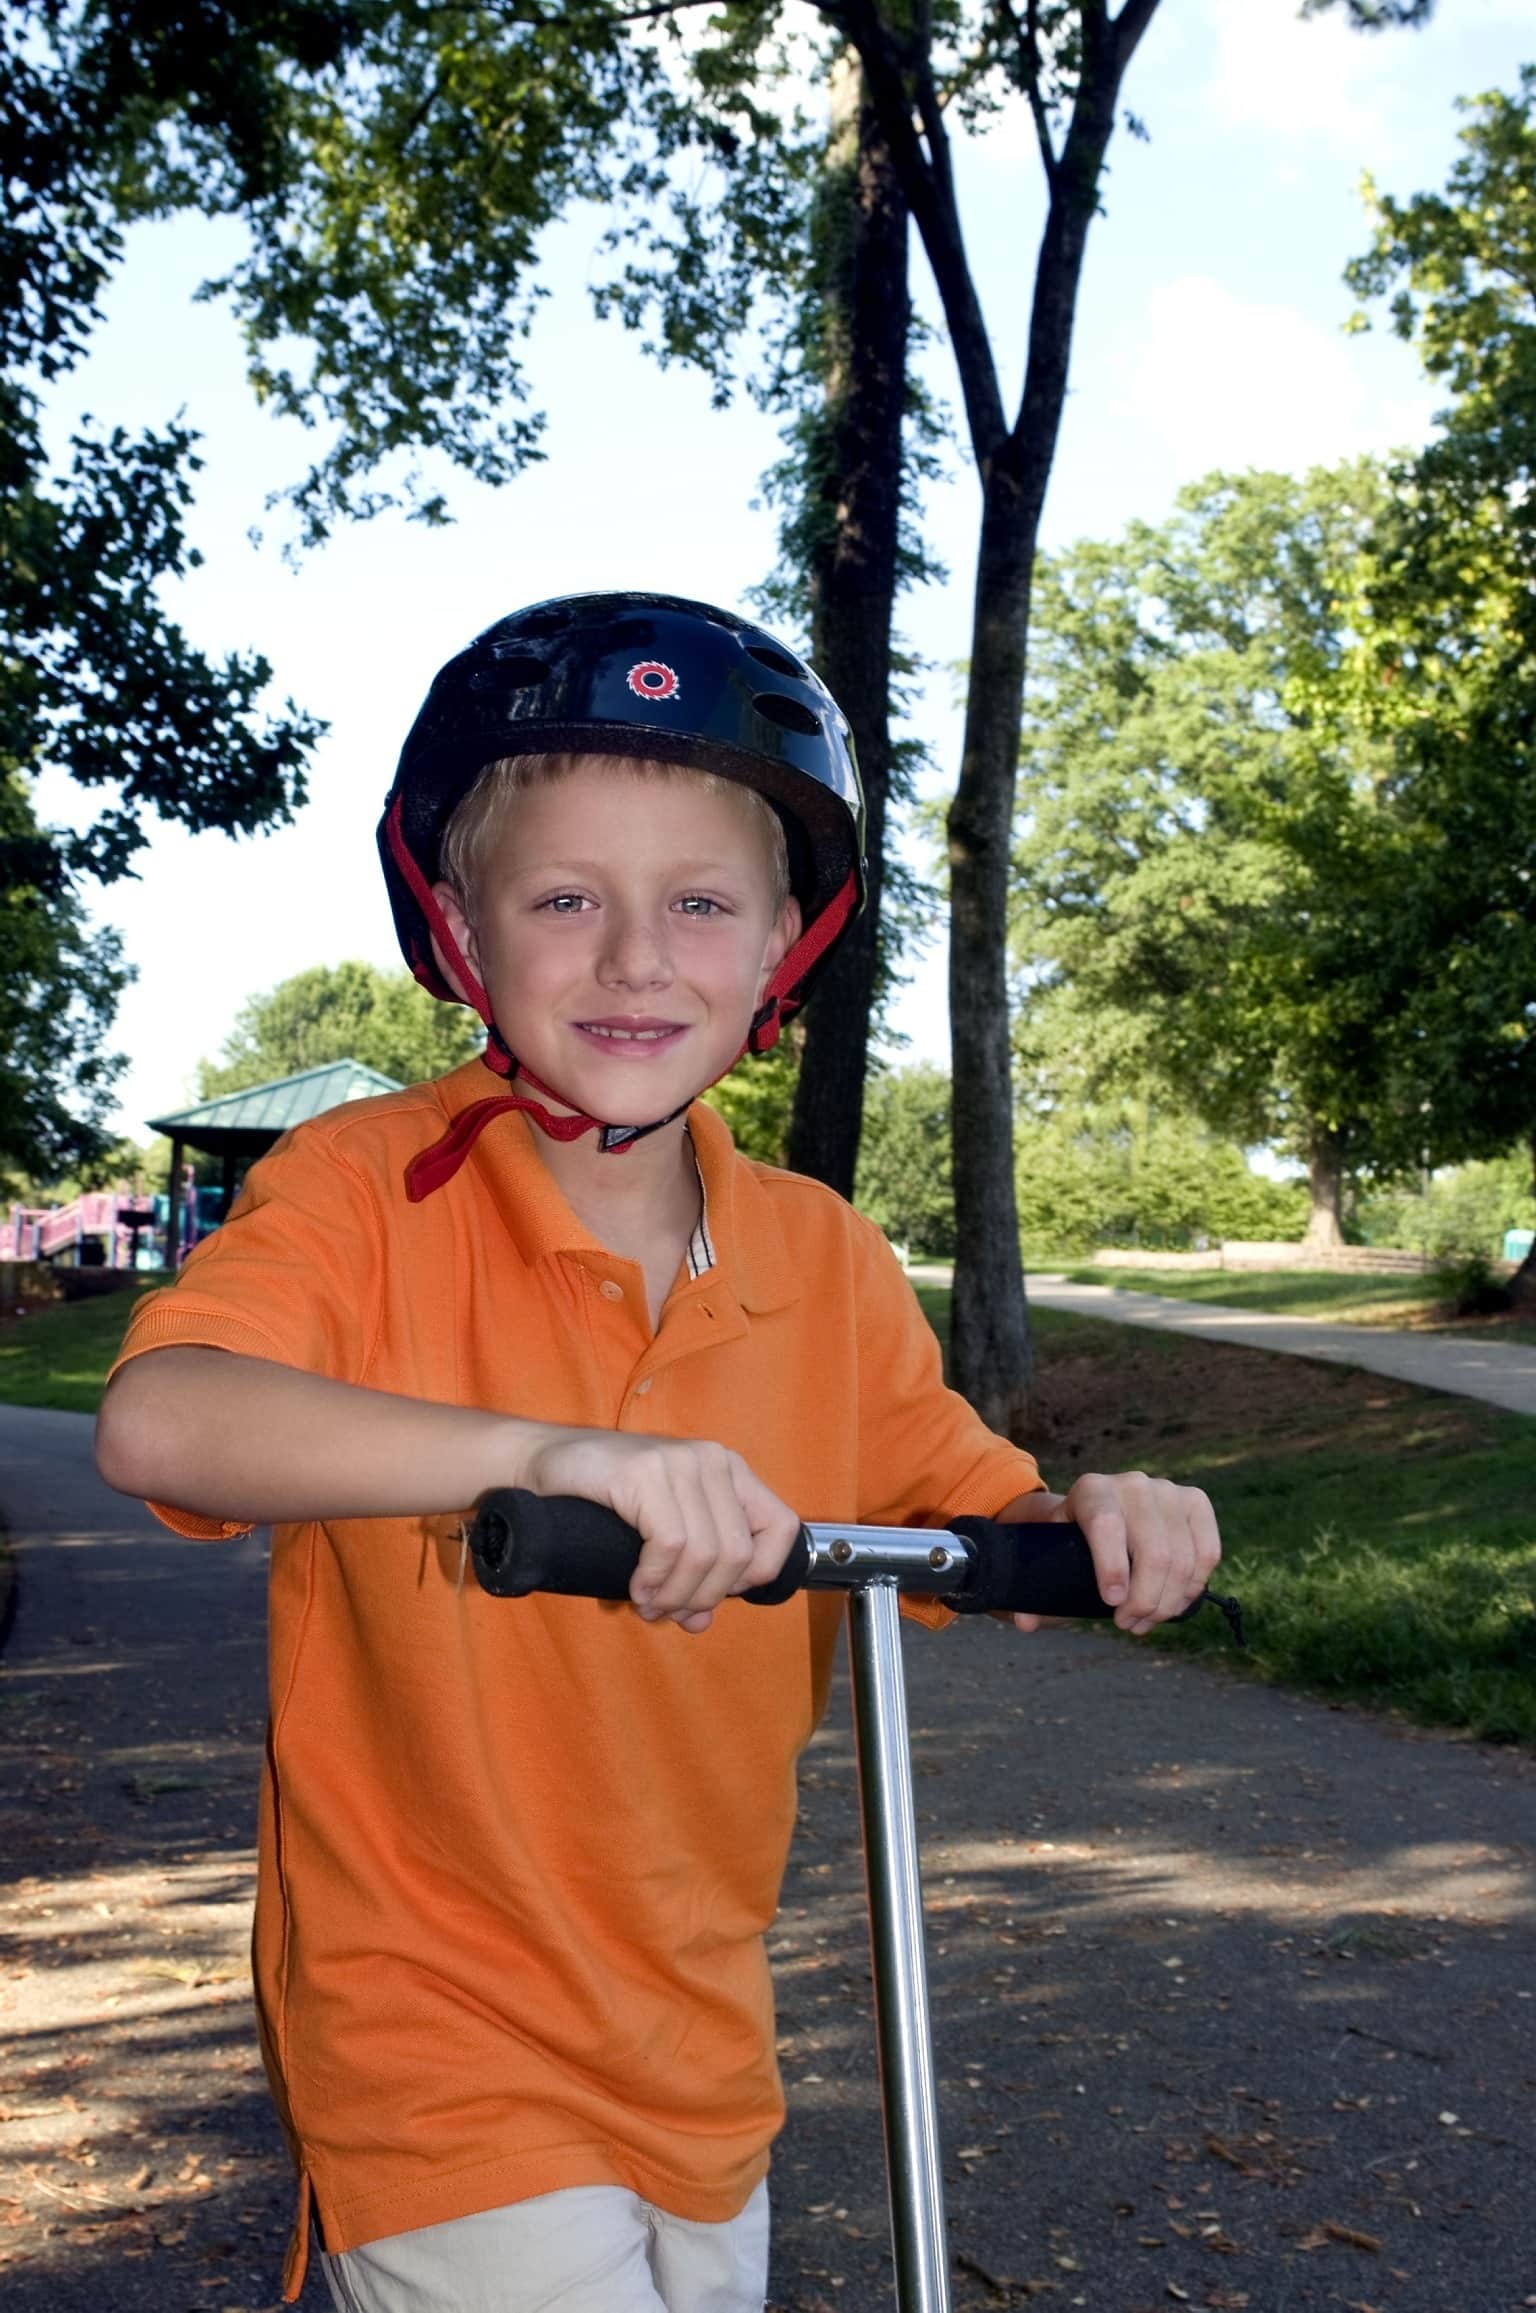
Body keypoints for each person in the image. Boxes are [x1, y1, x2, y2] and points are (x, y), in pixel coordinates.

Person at [95, 592, 1221, 2313]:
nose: (636, 957)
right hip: (435, 2029)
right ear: (463, 930)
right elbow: (165, 1418)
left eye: (699, 903)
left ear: (782, 938)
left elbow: (962, 1500)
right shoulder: (355, 1191)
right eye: (566, 899)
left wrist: (1101, 1520)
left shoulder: (822, 1258)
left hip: (700, 2035)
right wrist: (550, 1450)